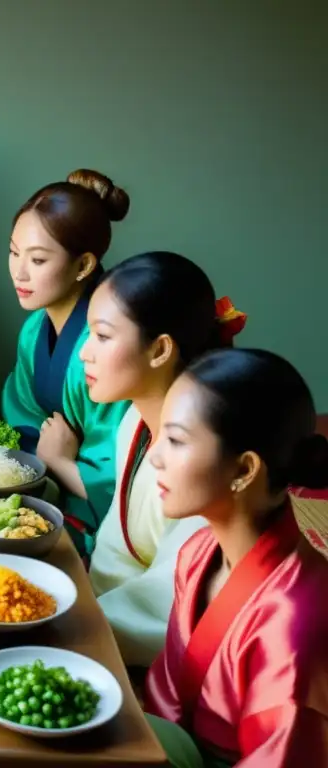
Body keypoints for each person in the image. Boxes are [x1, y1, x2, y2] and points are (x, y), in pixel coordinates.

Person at [144, 348, 328, 768]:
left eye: (175, 440)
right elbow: (167, 703)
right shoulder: (196, 554)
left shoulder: (296, 619)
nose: (155, 456)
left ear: (245, 469)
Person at [80, 251, 246, 666]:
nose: (85, 353)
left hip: (173, 654)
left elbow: (169, 607)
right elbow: (117, 554)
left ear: (159, 350)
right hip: (106, 611)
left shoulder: (204, 458)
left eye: (101, 336)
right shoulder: (133, 422)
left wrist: (69, 622)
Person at [2, 169, 133, 556]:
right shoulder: (33, 330)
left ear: (84, 265)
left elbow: (122, 473)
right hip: (49, 478)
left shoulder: (105, 348)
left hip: (100, 511)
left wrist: (57, 459)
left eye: (38, 259)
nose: (19, 272)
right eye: (13, 252)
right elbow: (22, 410)